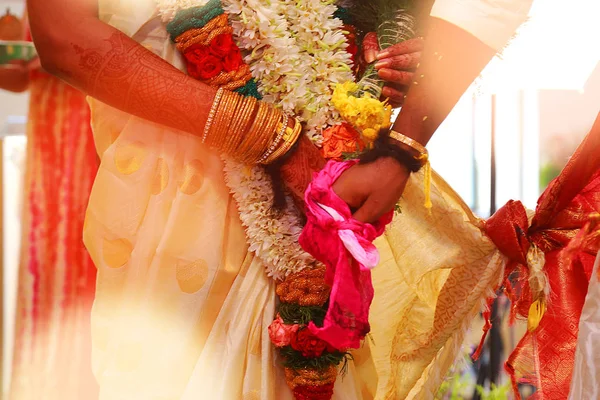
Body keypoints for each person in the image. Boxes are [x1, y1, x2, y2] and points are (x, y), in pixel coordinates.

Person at [27, 0, 532, 398]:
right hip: (172, 201)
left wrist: (403, 50)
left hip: (327, 194)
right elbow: (62, 37)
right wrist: (274, 141)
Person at [0, 14, 99, 400]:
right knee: (47, 257)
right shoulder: (26, 11)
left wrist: (53, 54)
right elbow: (15, 80)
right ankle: (46, 381)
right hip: (48, 137)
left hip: (94, 127)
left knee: (92, 250)